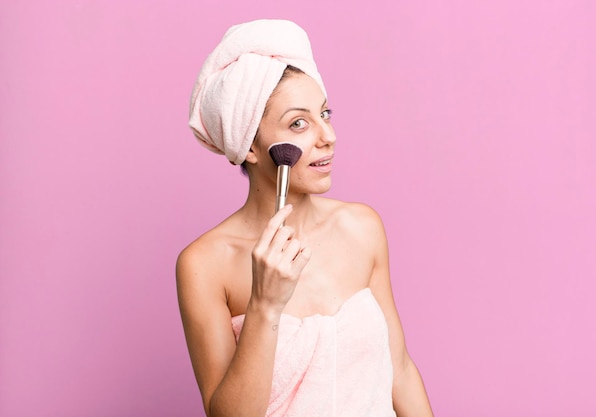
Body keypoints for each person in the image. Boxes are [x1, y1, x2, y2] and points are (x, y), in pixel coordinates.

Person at [176, 19, 434, 417]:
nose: (326, 135)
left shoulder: (362, 227)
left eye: (325, 113)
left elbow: (399, 369)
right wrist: (264, 304)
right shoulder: (204, 264)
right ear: (251, 147)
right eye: (299, 123)